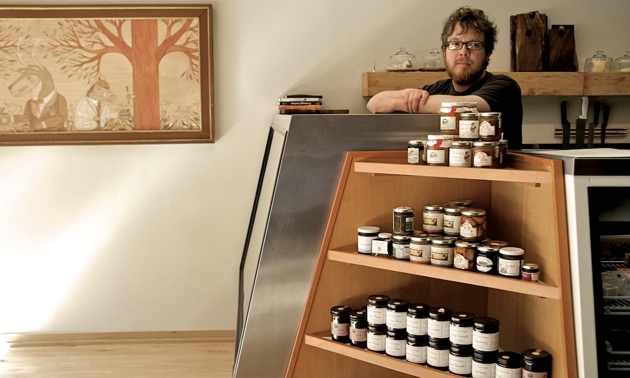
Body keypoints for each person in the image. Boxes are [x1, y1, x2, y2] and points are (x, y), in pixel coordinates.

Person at [367, 6, 524, 150]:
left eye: (474, 44)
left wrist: (399, 101)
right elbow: (374, 103)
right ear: (444, 52)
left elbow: (466, 107)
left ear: (487, 53)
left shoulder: (504, 87)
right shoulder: (438, 89)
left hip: (499, 179)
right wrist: (408, 94)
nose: (463, 52)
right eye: (455, 44)